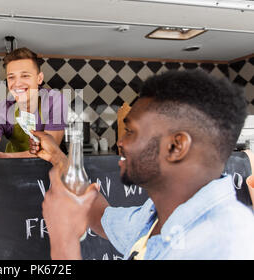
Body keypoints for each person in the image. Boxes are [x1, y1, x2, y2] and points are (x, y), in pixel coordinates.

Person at [31, 69, 254, 260]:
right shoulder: (156, 218)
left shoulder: (224, 243)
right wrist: (58, 158)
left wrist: (63, 240)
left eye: (131, 132)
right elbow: (98, 214)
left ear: (176, 146)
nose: (120, 142)